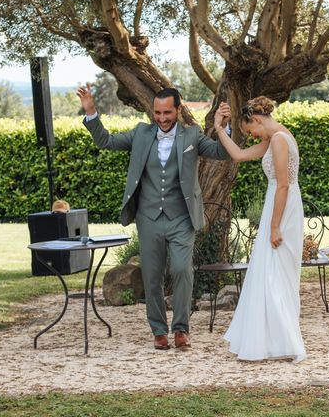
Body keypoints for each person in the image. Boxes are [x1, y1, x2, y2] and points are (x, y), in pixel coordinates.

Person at [77, 85, 229, 350]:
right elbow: (106, 142)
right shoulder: (141, 133)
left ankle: (181, 328)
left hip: (181, 217)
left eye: (167, 112)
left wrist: (222, 128)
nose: (162, 118)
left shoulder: (192, 135)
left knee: (182, 269)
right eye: (157, 113)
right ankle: (159, 330)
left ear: (178, 109)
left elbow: (221, 153)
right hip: (148, 217)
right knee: (152, 276)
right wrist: (91, 111)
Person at [213, 97, 306, 362]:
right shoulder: (276, 136)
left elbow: (284, 185)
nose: (251, 136)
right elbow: (239, 156)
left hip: (283, 208)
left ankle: (283, 342)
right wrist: (220, 129)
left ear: (255, 119)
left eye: (249, 130)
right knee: (270, 272)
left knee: (275, 274)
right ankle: (274, 342)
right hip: (277, 204)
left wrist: (275, 226)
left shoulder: (278, 139)